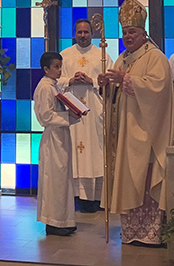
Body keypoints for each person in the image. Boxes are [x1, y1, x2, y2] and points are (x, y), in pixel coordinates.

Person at [98, 0, 173, 246]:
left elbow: (159, 89)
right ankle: (132, 232)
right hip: (125, 135)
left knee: (145, 181)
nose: (128, 36)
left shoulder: (156, 58)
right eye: (125, 32)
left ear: (144, 33)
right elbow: (115, 96)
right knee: (130, 182)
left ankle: (150, 234)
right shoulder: (122, 59)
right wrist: (106, 88)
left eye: (132, 31)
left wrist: (127, 82)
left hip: (146, 136)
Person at [60, 18, 113, 212]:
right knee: (74, 150)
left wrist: (92, 81)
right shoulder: (65, 56)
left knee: (94, 152)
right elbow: (56, 81)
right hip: (72, 112)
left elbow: (111, 84)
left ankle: (95, 197)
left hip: (93, 113)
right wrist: (71, 80)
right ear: (75, 33)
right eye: (79, 32)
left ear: (92, 34)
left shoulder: (103, 56)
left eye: (86, 32)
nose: (83, 36)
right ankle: (75, 195)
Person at [34, 51, 78, 236]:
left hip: (60, 136)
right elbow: (45, 116)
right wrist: (69, 116)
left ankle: (64, 219)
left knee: (62, 179)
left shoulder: (53, 85)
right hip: (52, 137)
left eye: (60, 66)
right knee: (54, 180)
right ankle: (53, 222)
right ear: (46, 69)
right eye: (56, 67)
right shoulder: (44, 87)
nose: (60, 70)